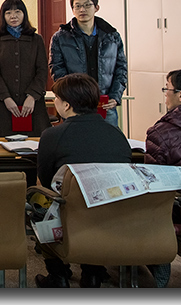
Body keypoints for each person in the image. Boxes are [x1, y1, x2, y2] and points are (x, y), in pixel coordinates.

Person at [35, 73, 132, 288]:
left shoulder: (53, 135)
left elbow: (47, 179)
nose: (55, 102)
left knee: (38, 201)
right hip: (114, 214)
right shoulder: (116, 134)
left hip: (71, 213)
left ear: (66, 105)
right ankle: (93, 272)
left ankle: (58, 275)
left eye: (57, 98)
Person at [143, 68, 181, 289]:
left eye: (166, 89)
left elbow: (155, 184)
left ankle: (158, 264)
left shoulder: (161, 133)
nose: (165, 95)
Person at [49, 0, 127, 128]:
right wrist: (70, 94)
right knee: (76, 139)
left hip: (104, 102)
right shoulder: (60, 37)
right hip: (75, 104)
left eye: (87, 5)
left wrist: (115, 96)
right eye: (77, 6)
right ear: (72, 10)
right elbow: (57, 69)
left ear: (96, 8)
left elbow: (121, 69)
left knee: (107, 138)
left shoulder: (112, 36)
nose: (82, 10)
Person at [0, 0, 50, 137]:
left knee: (35, 143)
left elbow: (42, 70)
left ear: (24, 14)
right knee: (3, 143)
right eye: (8, 13)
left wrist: (32, 96)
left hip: (32, 103)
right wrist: (6, 98)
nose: (13, 16)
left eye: (17, 12)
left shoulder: (36, 39)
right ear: (3, 16)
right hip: (4, 104)